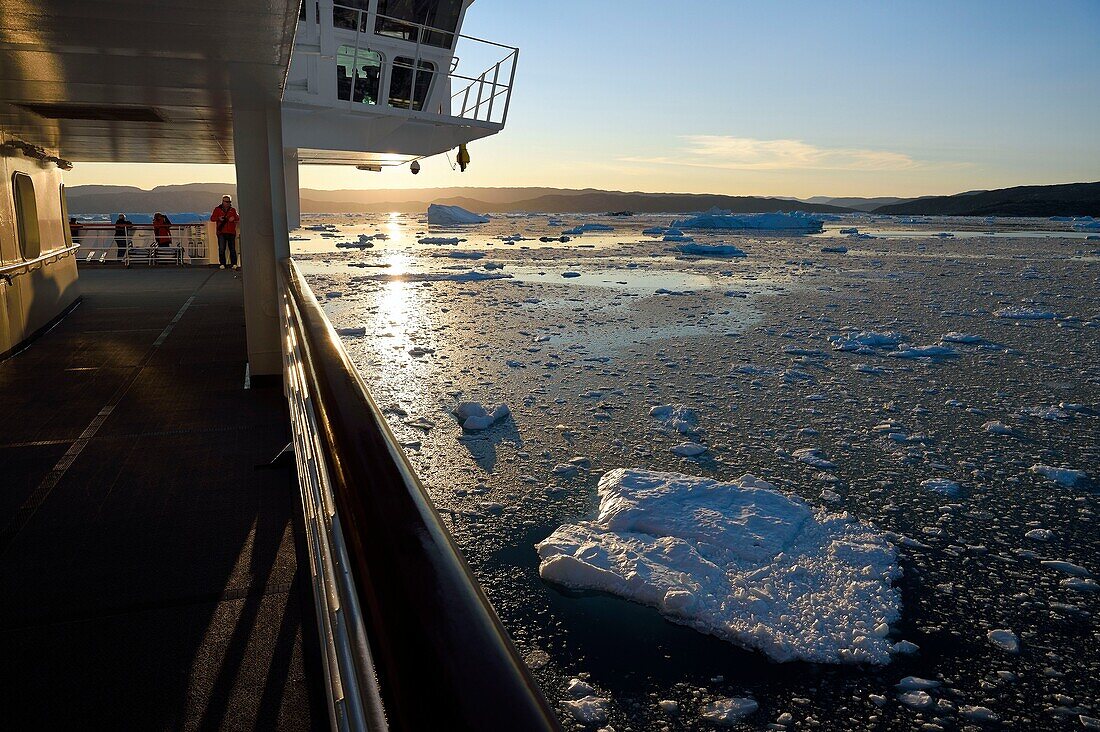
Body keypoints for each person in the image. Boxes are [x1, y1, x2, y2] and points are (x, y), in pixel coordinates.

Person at [210, 195, 240, 270]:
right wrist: (219, 218)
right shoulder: (217, 209)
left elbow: (237, 217)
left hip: (231, 232)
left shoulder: (232, 210)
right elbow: (212, 218)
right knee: (222, 248)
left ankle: (234, 264)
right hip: (222, 232)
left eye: (229, 202)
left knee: (232, 248)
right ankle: (222, 263)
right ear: (223, 202)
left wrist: (234, 218)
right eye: (226, 201)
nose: (228, 203)